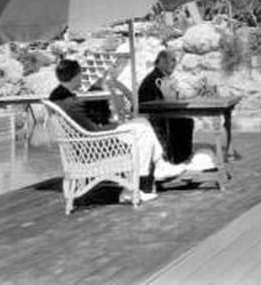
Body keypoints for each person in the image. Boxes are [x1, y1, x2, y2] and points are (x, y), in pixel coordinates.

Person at [49, 59, 185, 203]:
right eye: (81, 74)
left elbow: (89, 127)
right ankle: (136, 185)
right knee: (142, 128)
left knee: (141, 124)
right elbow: (93, 131)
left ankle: (158, 166)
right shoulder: (72, 103)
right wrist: (118, 126)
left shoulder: (59, 96)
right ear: (77, 75)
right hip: (92, 148)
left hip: (82, 145)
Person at [139, 50, 197, 166]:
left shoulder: (158, 77)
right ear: (162, 62)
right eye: (172, 60)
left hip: (157, 114)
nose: (174, 64)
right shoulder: (156, 79)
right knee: (185, 123)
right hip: (155, 117)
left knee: (185, 121)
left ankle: (179, 159)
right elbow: (160, 102)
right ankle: (178, 160)